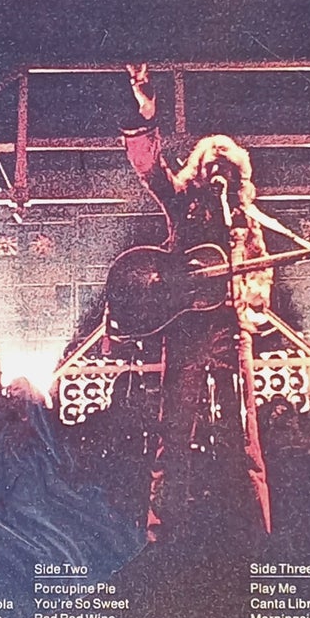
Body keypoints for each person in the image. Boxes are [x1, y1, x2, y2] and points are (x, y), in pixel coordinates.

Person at [120, 64, 272, 543]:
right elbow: (148, 166)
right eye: (212, 161)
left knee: (243, 431)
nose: (219, 169)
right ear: (199, 168)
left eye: (227, 164)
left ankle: (250, 529)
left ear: (237, 173)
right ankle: (162, 533)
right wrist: (146, 110)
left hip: (230, 328)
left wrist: (253, 303)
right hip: (186, 328)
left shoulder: (245, 218)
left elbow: (260, 268)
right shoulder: (180, 203)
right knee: (174, 431)